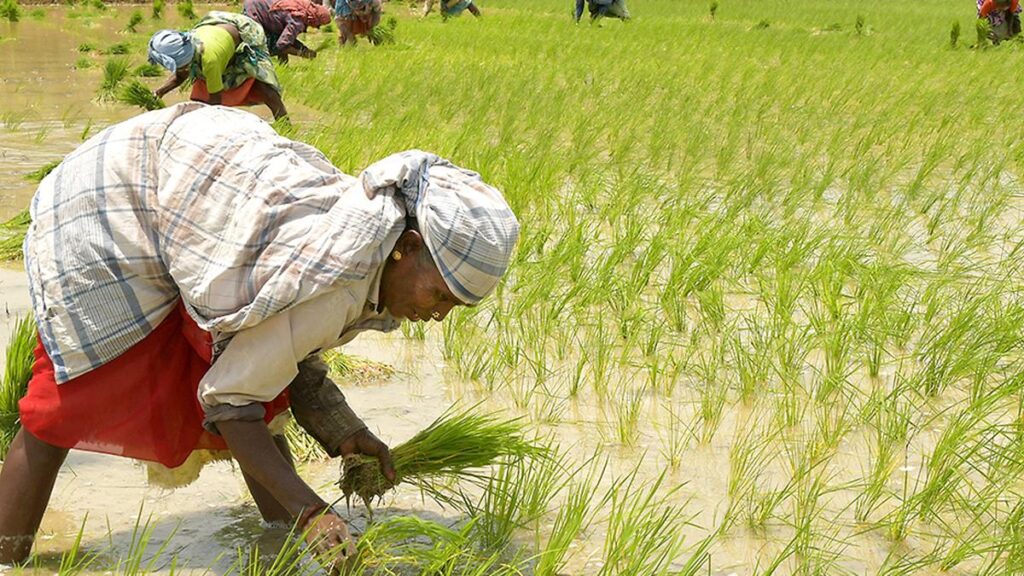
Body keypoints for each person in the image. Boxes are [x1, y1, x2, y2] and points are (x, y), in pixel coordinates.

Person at [0, 102, 519, 566]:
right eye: (442, 296)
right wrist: (313, 512)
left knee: (260, 397)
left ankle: (280, 547)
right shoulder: (340, 273)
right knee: (65, 403)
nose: (441, 315)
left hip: (185, 185)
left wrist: (341, 429)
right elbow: (231, 404)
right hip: (115, 197)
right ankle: (5, 554)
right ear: (405, 246)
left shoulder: (365, 254)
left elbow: (284, 354)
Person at [149, 13, 288, 120]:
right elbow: (181, 75)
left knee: (264, 87)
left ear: (186, 59)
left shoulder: (209, 61)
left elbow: (216, 103)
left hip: (244, 32)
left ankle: (285, 124)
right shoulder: (189, 50)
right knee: (200, 98)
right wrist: (159, 92)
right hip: (215, 29)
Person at [243, 0, 331, 63]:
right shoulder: (298, 21)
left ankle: (283, 66)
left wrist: (304, 49)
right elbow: (281, 46)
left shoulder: (303, 7)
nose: (317, 28)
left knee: (279, 40)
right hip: (255, 12)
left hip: (255, 5)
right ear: (315, 19)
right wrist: (303, 54)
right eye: (319, 25)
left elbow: (285, 38)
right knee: (263, 47)